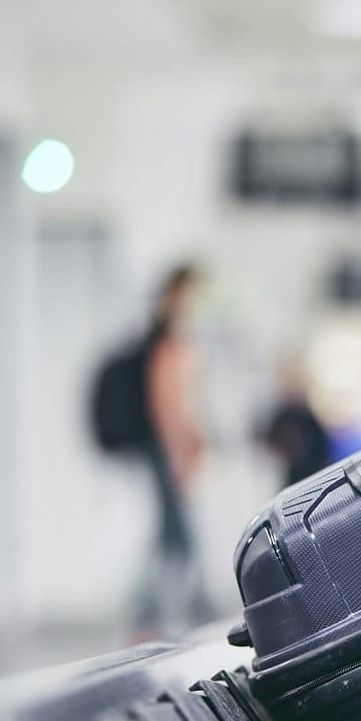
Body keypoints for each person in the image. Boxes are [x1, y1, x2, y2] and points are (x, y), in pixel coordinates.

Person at [134, 262, 215, 635]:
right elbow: (167, 407)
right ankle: (165, 616)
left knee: (170, 536)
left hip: (171, 453)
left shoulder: (174, 343)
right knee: (178, 538)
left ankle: (154, 616)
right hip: (166, 454)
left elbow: (182, 404)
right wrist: (178, 455)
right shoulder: (166, 346)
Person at [261, 358, 333, 487]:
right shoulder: (280, 416)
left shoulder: (308, 415)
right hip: (290, 479)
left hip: (313, 476)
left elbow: (321, 449)